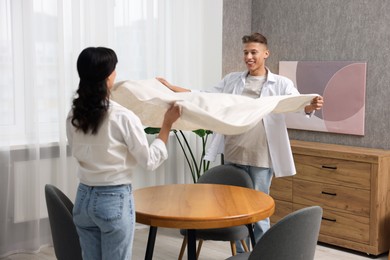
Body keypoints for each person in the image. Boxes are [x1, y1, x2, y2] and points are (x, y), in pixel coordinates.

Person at [157, 32, 323, 252]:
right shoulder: (232, 80)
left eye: (254, 52)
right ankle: (243, 254)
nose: (249, 57)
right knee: (233, 209)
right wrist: (172, 87)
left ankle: (263, 255)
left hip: (261, 156)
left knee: (259, 211)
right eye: (246, 52)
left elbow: (296, 103)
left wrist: (311, 105)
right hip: (234, 153)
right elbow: (205, 96)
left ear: (266, 53)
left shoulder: (280, 83)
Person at [66, 47, 181, 260]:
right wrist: (167, 124)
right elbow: (150, 160)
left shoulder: (74, 114)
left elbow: (75, 149)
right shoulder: (123, 116)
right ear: (108, 77)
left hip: (83, 199)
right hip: (113, 200)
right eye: (114, 70)